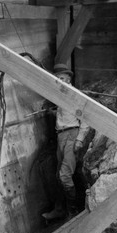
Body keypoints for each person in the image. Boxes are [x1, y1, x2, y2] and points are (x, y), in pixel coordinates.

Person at [42, 63, 89, 223]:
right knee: (58, 176)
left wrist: (80, 139)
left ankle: (73, 211)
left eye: (62, 78)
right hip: (61, 136)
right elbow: (67, 114)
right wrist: (54, 113)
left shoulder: (75, 95)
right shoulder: (60, 95)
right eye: (57, 78)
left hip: (71, 135)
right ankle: (59, 209)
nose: (59, 81)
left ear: (69, 79)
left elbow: (86, 119)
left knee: (65, 175)